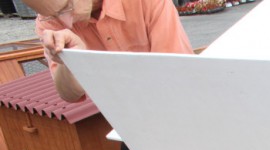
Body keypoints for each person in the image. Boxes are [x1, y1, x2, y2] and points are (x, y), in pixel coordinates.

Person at [24, 0, 193, 102]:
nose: (65, 22)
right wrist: (71, 60)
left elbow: (176, 72)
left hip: (178, 103)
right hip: (125, 119)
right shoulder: (48, 23)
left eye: (66, 7)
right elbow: (69, 95)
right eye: (54, 14)